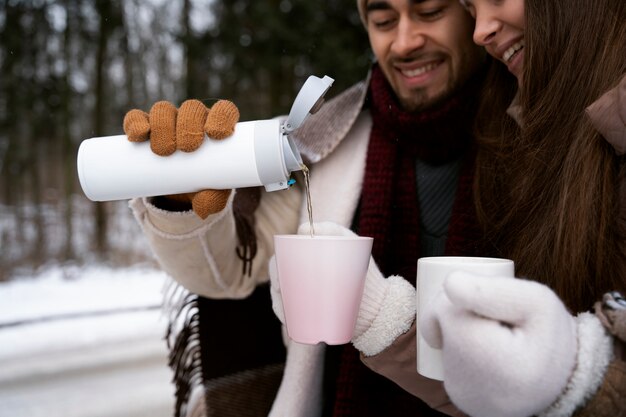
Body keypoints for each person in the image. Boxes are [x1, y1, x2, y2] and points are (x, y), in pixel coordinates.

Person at [123, 0, 490, 416]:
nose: (404, 42)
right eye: (384, 20)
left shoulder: (541, 143)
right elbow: (226, 273)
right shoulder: (325, 142)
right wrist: (179, 193)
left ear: (474, 13)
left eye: (430, 12)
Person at [350, 0, 626, 416]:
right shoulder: (532, 128)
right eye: (384, 21)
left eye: (430, 11)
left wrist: (583, 376)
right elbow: (505, 383)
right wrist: (382, 320)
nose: (482, 30)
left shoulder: (517, 138)